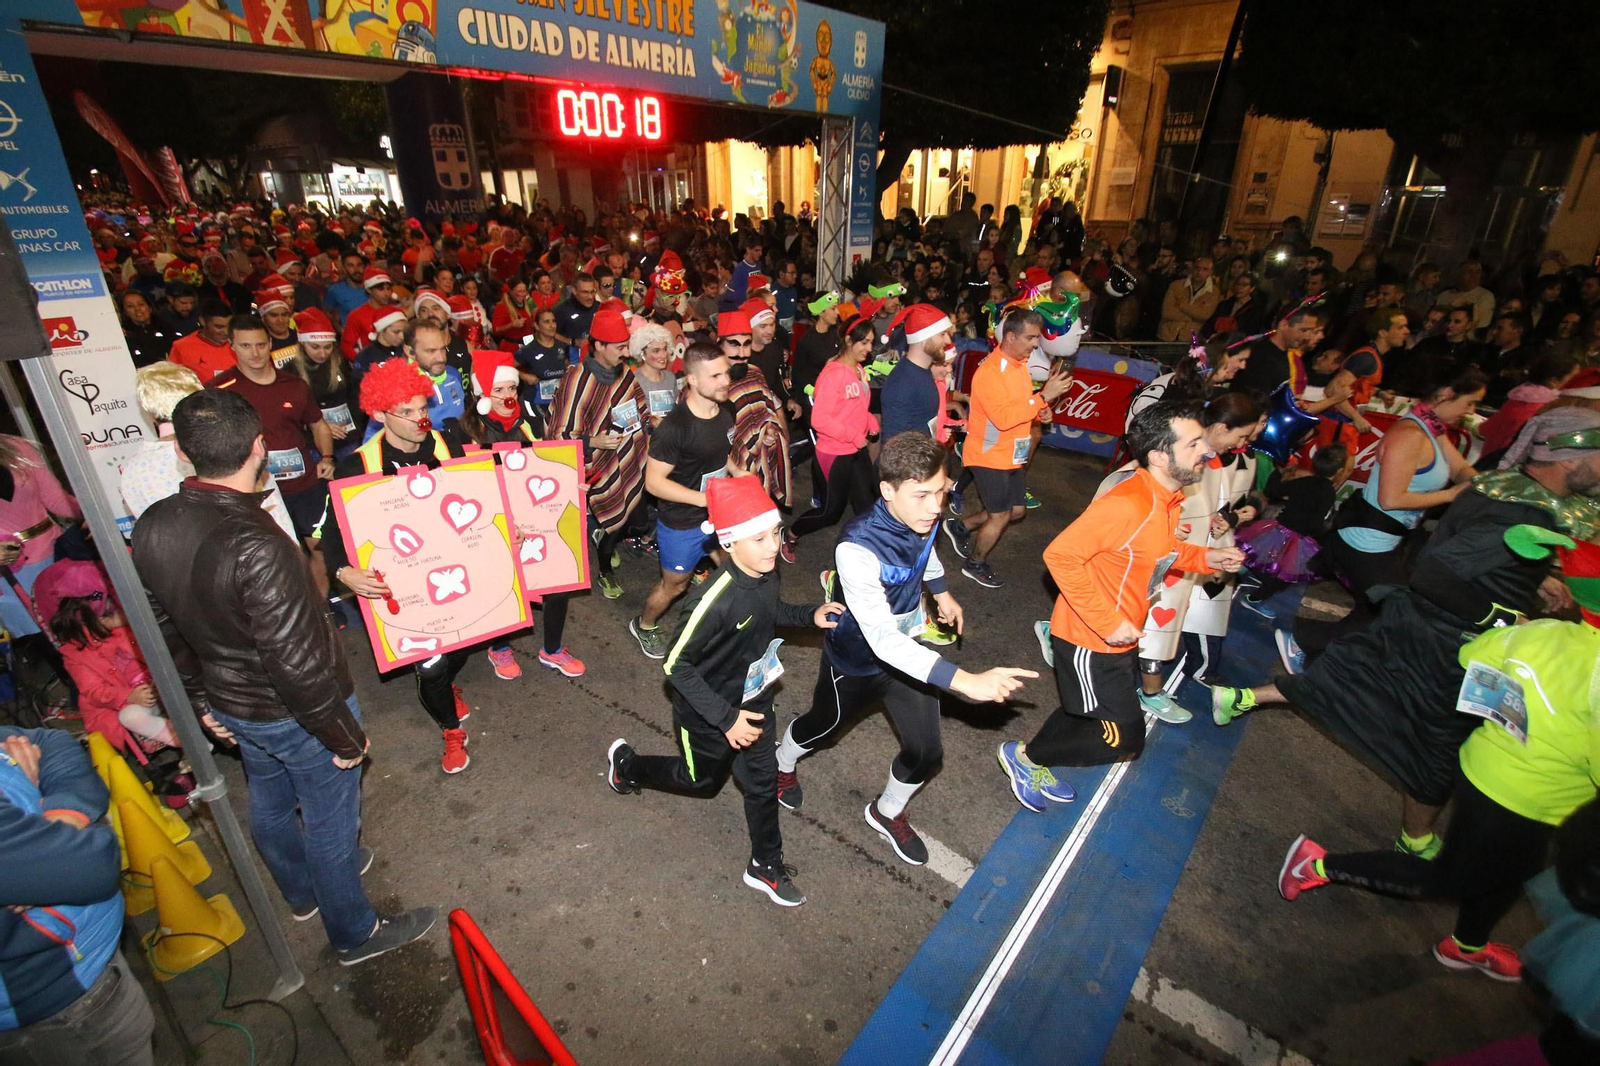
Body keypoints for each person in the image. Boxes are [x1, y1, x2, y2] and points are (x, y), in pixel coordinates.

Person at [1210, 407, 1600, 858]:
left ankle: (1240, 698)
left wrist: (1538, 577)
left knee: (1350, 677)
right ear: (1570, 456)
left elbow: (1470, 555)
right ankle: (1415, 838)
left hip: (1422, 623)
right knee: (1439, 752)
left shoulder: (1500, 489)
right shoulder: (1517, 510)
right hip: (1450, 644)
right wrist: (1505, 618)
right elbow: (1435, 572)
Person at [133, 388, 435, 962]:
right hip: (290, 710)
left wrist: (199, 701)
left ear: (185, 454)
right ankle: (355, 933)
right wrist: (344, 737)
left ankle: (301, 894)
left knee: (269, 800)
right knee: (329, 823)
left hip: (231, 704)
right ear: (258, 448)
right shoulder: (258, 543)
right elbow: (293, 661)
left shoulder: (154, 522)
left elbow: (161, 628)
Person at [1277, 523, 1600, 982]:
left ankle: (1467, 945)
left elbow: (1476, 659)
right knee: (1451, 879)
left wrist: (1530, 703)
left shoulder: (1538, 633)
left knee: (1513, 873)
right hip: (1521, 798)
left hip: (1484, 769)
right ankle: (1319, 864)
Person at [775, 432, 1037, 863]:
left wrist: (941, 592)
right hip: (858, 659)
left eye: (941, 492)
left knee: (926, 752)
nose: (935, 507)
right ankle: (783, 763)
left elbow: (926, 552)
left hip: (906, 654)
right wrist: (964, 680)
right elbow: (879, 637)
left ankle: (886, 811)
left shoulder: (922, 515)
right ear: (888, 491)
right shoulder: (856, 547)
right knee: (821, 728)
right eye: (922, 495)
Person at [606, 476, 842, 906]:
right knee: (701, 783)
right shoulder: (712, 601)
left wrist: (811, 615)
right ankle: (628, 767)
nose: (773, 545)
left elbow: (770, 613)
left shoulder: (766, 573)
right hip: (708, 713)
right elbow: (676, 664)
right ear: (730, 544)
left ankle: (764, 865)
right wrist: (724, 718)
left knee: (762, 782)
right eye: (759, 538)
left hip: (753, 702)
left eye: (774, 532)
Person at [998, 403, 1244, 809]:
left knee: (1084, 712)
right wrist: (1108, 622)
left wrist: (1207, 558)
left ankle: (1031, 758)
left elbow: (1158, 552)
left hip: (1122, 634)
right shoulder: (1128, 502)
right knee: (1125, 736)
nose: (1205, 450)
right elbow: (1060, 555)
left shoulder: (1166, 499)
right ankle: (1025, 758)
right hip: (1089, 639)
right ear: (1160, 456)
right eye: (1194, 443)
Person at [317, 359, 480, 774]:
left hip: (452, 571)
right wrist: (343, 572)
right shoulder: (358, 464)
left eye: (422, 408)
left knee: (461, 646)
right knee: (432, 664)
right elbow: (333, 532)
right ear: (379, 414)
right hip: (400, 584)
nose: (419, 419)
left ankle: (443, 682)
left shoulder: (447, 444)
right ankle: (448, 727)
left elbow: (480, 497)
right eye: (405, 412)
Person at [0, 727, 155, 1065]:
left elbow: (51, 741)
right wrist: (30, 789)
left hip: (88, 969)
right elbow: (92, 863)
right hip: (59, 1012)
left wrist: (62, 817)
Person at [454, 350, 586, 678]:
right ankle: (499, 647)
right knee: (503, 583)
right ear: (482, 393)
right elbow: (461, 484)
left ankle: (552, 649)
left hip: (533, 517)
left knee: (559, 578)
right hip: (491, 520)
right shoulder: (465, 431)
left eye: (511, 389)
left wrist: (570, 485)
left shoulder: (527, 423)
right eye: (498, 390)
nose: (507, 396)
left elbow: (544, 464)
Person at [944, 309, 1072, 588]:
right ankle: (975, 563)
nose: (1036, 344)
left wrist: (1042, 412)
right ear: (1011, 336)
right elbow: (1002, 419)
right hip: (989, 454)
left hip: (1012, 453)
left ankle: (960, 526)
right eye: (1031, 338)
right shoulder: (991, 372)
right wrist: (1043, 398)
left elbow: (1021, 405)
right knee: (1001, 515)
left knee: (1016, 512)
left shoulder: (1018, 365)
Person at [211, 314, 335, 595]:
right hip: (259, 492)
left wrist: (327, 458)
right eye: (245, 346)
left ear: (270, 344)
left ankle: (323, 612)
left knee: (321, 549)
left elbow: (318, 425)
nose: (254, 353)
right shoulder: (220, 390)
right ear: (232, 346)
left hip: (305, 486)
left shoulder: (294, 384)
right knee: (285, 559)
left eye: (259, 344)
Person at [631, 343, 739, 658]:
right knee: (675, 586)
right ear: (691, 379)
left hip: (718, 513)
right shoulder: (675, 429)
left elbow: (720, 453)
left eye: (726, 373)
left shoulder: (726, 409)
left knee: (733, 570)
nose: (724, 381)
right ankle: (644, 624)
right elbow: (653, 483)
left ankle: (723, 626)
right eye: (715, 375)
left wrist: (738, 471)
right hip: (682, 523)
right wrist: (704, 498)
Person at [120, 362, 299, 541]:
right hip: (257, 558)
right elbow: (276, 519)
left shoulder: (131, 472)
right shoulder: (229, 445)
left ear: (148, 411)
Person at [548, 307, 650, 601]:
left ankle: (603, 533)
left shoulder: (625, 375)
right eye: (620, 347)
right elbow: (557, 436)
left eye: (626, 345)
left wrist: (647, 423)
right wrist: (594, 440)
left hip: (627, 459)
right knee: (614, 519)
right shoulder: (575, 381)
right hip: (592, 467)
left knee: (633, 519)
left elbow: (638, 407)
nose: (626, 352)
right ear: (599, 346)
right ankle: (605, 567)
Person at [35, 559, 179, 759]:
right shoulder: (75, 654)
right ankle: (185, 742)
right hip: (129, 698)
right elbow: (93, 690)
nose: (112, 617)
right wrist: (127, 696)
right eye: (104, 614)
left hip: (158, 682)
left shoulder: (124, 624)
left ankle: (191, 733)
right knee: (130, 717)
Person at [790, 315, 878, 541]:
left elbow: (855, 407)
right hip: (835, 452)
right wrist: (853, 436)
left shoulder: (859, 370)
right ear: (849, 340)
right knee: (830, 513)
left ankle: (867, 551)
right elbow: (819, 419)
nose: (869, 349)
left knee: (866, 504)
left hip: (856, 449)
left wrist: (870, 421)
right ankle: (789, 533)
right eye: (864, 342)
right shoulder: (834, 373)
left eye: (871, 343)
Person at [0, 434, 82, 642]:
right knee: (44, 645)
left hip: (53, 555)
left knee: (79, 634)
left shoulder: (17, 447)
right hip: (9, 574)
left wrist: (95, 514)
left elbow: (55, 498)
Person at [1479, 351, 1580, 457]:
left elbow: (1487, 428)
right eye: (1574, 377)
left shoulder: (1522, 395)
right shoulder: (1540, 408)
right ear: (1553, 381)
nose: (1580, 382)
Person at [878, 304, 954, 442]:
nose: (948, 340)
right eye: (942, 334)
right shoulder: (902, 382)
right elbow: (893, 446)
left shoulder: (923, 372)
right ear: (923, 337)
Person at [1230, 305, 1325, 399]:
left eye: (1311, 331)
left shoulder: (1289, 355)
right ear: (1283, 325)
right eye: (1304, 330)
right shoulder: (1259, 355)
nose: (1307, 337)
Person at [514, 307, 570, 432]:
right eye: (546, 322)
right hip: (535, 402)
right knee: (541, 434)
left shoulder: (562, 346)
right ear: (537, 326)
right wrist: (524, 376)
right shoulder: (528, 350)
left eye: (553, 321)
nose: (552, 326)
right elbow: (507, 365)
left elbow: (568, 364)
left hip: (558, 401)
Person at [340, 265, 398, 363]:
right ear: (369, 290)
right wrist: (362, 364)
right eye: (381, 289)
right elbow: (346, 346)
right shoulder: (356, 315)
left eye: (388, 289)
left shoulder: (396, 313)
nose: (386, 293)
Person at [168, 300, 236, 382]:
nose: (226, 332)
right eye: (219, 327)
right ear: (203, 321)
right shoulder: (182, 347)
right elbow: (174, 381)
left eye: (230, 326)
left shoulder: (241, 342)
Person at [1157, 256, 1218, 342]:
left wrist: (1181, 305)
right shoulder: (1176, 285)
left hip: (1191, 339)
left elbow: (1205, 315)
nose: (1199, 272)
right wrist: (1192, 318)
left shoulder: (1214, 292)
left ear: (1210, 272)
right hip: (1167, 335)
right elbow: (1167, 312)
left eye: (1205, 269)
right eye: (1197, 267)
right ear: (1192, 268)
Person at [630, 321, 680, 426]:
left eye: (665, 349)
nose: (663, 355)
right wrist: (650, 421)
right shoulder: (633, 381)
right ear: (642, 353)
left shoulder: (670, 378)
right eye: (656, 351)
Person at [1438, 260, 1496, 334]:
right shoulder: (1444, 295)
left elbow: (1481, 325)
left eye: (1477, 272)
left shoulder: (1486, 296)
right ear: (1460, 273)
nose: (1474, 276)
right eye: (1469, 271)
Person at [119, 289, 174, 367]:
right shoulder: (123, 335)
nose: (137, 309)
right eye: (130, 306)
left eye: (141, 304)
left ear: (149, 307)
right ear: (125, 312)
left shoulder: (167, 328)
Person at [553, 272, 601, 350]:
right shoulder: (562, 310)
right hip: (571, 357)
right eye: (585, 292)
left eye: (592, 291)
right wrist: (572, 342)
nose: (590, 296)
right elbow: (548, 333)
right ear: (574, 290)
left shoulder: (600, 308)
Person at [323, 251, 370, 329]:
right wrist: (340, 329)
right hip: (351, 336)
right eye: (351, 266)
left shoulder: (373, 287)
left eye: (359, 265)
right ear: (344, 269)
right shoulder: (335, 290)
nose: (356, 269)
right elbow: (327, 312)